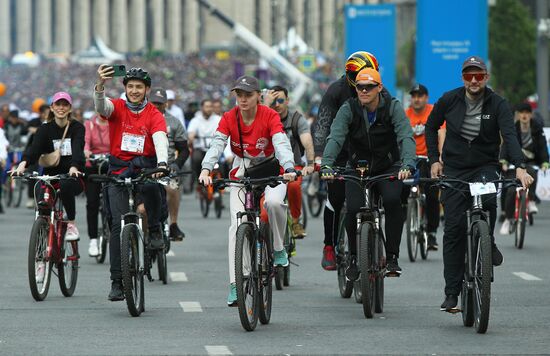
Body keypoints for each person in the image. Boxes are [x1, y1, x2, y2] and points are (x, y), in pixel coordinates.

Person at [425, 55, 534, 312]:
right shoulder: (449, 100)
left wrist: (519, 166)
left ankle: (488, 239)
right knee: (452, 229)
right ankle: (452, 292)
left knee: (487, 198)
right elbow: (431, 126)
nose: (474, 80)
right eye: (468, 76)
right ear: (462, 78)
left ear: (486, 77)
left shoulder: (498, 104)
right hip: (454, 168)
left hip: (484, 166)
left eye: (479, 76)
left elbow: (509, 135)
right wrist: (434, 160)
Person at [198, 75, 296, 306]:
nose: (242, 99)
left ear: (258, 96)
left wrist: (290, 167)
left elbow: (281, 143)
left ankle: (280, 249)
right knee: (237, 225)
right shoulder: (229, 117)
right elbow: (217, 145)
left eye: (248, 95)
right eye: (239, 94)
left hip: (273, 167)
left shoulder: (270, 115)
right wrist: (205, 169)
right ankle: (236, 283)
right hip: (243, 170)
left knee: (273, 204)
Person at [320, 68, 415, 278]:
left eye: (369, 87)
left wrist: (408, 164)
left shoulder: (393, 107)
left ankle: (391, 257)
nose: (363, 91)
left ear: (379, 88)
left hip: (387, 166)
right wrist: (326, 164)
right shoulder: (348, 108)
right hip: (357, 167)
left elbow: (406, 136)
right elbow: (335, 137)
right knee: (353, 209)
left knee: (392, 201)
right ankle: (353, 258)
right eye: (359, 87)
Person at [94, 65, 169, 301]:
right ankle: (117, 281)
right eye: (130, 87)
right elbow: (101, 107)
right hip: (117, 168)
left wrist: (163, 164)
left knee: (152, 188)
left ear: (147, 89)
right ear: (125, 88)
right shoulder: (116, 106)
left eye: (139, 87)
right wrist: (100, 86)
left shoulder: (154, 114)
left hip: (145, 167)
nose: (134, 91)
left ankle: (155, 228)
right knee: (117, 225)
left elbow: (159, 139)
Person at [312, 51, 380, 271]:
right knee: (336, 197)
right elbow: (322, 125)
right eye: (358, 76)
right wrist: (321, 157)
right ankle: (329, 245)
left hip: (368, 153)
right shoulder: (335, 91)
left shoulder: (379, 90)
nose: (364, 84)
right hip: (339, 153)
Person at [13, 92, 85, 244]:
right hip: (50, 177)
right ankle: (41, 248)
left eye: (65, 105)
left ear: (70, 108)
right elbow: (34, 149)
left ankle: (71, 224)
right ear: (52, 107)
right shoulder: (44, 129)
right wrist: (22, 164)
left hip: (72, 176)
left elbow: (78, 149)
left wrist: (74, 167)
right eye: (58, 104)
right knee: (41, 201)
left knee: (66, 185)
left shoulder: (77, 127)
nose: (61, 108)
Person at [262, 85, 315, 238]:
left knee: (293, 186)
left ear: (288, 101)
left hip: (293, 166)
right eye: (273, 101)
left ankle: (296, 221)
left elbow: (307, 141)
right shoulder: (264, 116)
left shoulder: (297, 119)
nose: (277, 104)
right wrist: (266, 105)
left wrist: (310, 164)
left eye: (280, 100)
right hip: (268, 166)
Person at [499, 102, 549, 234]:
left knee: (532, 171)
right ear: (517, 115)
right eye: (522, 113)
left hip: (531, 162)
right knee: (510, 191)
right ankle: (508, 219)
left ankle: (531, 200)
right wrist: (503, 160)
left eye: (527, 113)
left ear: (531, 115)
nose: (524, 115)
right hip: (514, 164)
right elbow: (505, 145)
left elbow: (543, 147)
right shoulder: (512, 129)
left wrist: (545, 162)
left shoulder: (537, 129)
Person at [150, 87, 190, 240]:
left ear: (165, 104)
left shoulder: (174, 122)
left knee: (173, 189)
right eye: (153, 103)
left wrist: (176, 165)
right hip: (146, 167)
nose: (156, 106)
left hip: (168, 169)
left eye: (159, 103)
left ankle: (173, 224)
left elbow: (184, 150)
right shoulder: (140, 118)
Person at [405, 84, 440, 250]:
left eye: (420, 96)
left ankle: (432, 233)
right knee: (401, 191)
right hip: (411, 159)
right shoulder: (405, 115)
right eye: (414, 96)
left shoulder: (433, 112)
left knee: (432, 196)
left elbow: (442, 134)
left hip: (429, 158)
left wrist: (439, 158)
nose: (416, 99)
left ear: (426, 97)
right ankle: (409, 214)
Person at [83, 113, 110, 257]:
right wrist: (86, 151)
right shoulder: (90, 124)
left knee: (113, 201)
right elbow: (86, 141)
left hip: (111, 164)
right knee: (92, 202)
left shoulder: (115, 123)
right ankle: (93, 239)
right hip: (92, 164)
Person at [188, 99, 222, 182]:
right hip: (200, 148)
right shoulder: (195, 120)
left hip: (214, 148)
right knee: (196, 159)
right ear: (202, 108)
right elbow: (191, 132)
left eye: (210, 106)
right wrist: (191, 137)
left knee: (222, 163)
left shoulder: (218, 119)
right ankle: (197, 179)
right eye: (207, 107)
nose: (209, 109)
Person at [25, 104, 50, 208]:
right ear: (42, 114)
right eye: (47, 113)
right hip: (36, 153)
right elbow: (26, 129)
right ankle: (32, 197)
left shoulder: (57, 125)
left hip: (51, 156)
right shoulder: (35, 121)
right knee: (33, 174)